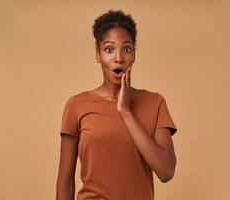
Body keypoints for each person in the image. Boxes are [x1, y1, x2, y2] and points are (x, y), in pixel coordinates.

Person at [56, 9, 178, 200]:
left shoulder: (155, 103)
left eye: (127, 49)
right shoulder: (77, 105)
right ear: (98, 55)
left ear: (134, 55)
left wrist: (126, 112)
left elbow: (166, 172)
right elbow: (65, 181)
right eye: (109, 49)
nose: (119, 58)